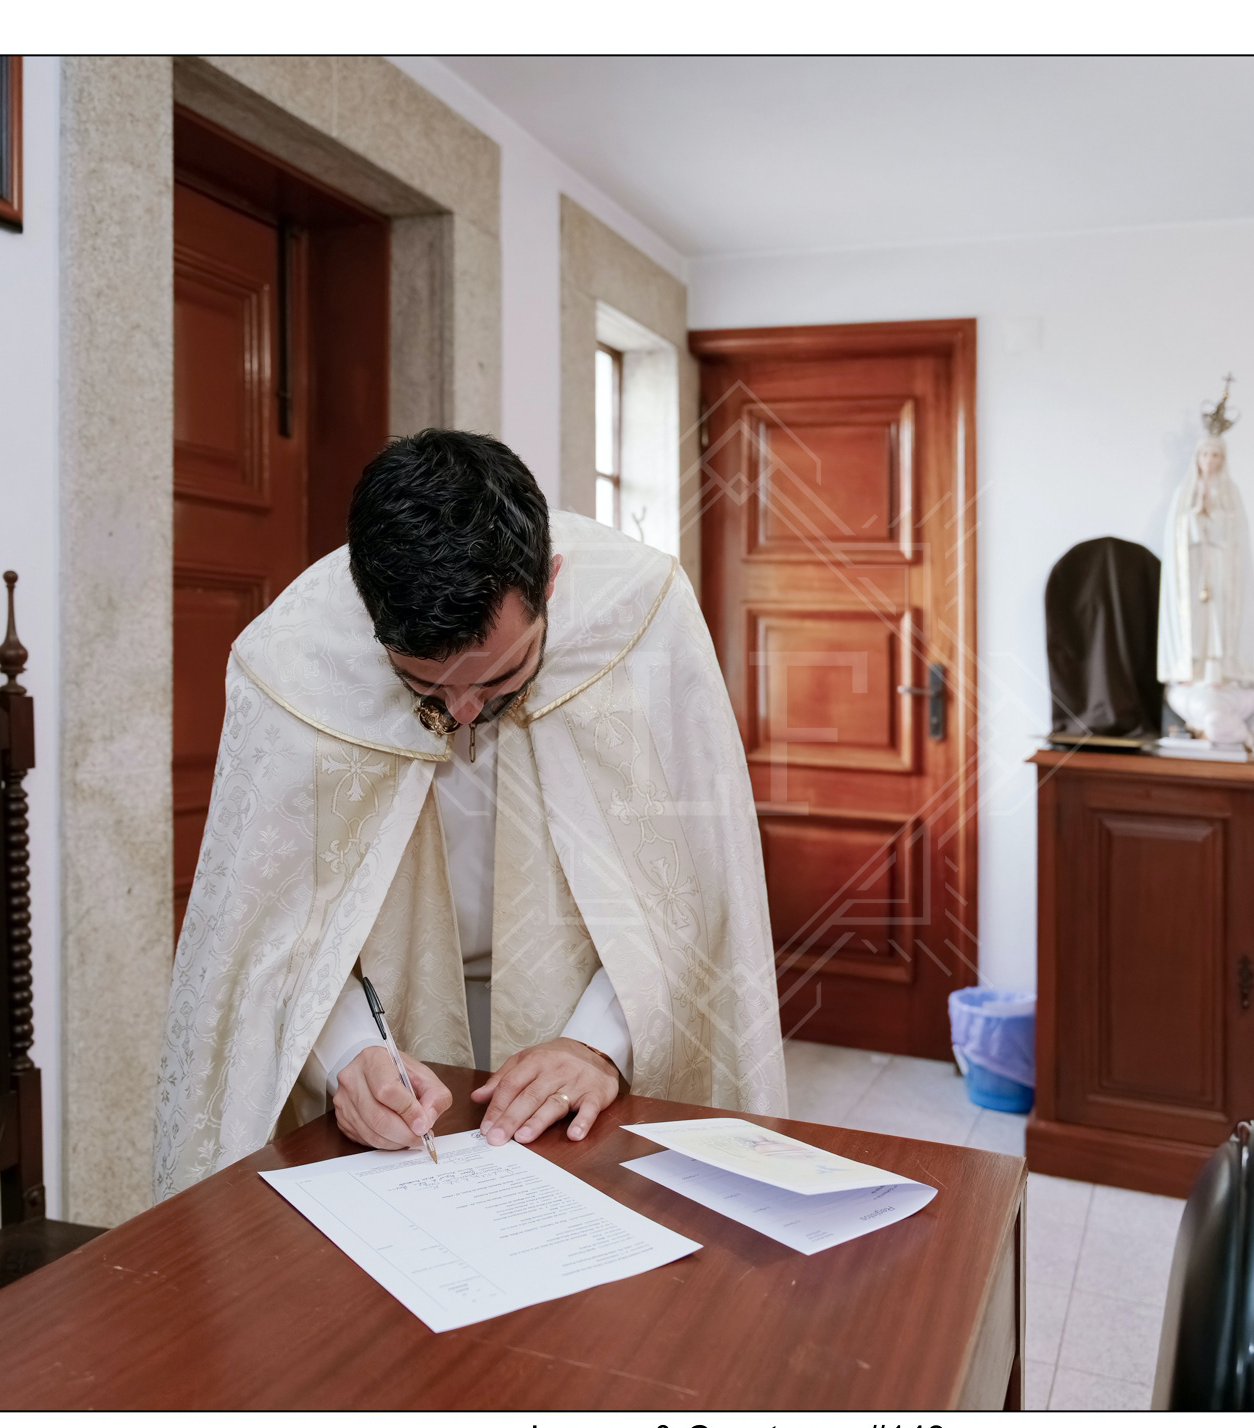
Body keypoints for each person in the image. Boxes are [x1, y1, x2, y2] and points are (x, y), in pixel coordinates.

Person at [153, 431, 787, 1199]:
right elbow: (271, 928)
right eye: (424, 687)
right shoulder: (295, 660)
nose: (461, 713)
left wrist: (599, 1043)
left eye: (501, 677)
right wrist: (348, 1051)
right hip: (394, 1023)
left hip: (589, 1011)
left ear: (550, 582)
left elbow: (687, 880)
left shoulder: (641, 614)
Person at [1157, 386, 1254, 746]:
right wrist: (1195, 513)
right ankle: (1191, 668)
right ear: (1198, 457)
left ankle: (1219, 670)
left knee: (1220, 619)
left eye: (1216, 454)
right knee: (1195, 618)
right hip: (1194, 570)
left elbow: (1235, 535)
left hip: (1220, 570)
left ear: (1222, 458)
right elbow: (1178, 535)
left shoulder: (1230, 492)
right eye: (1205, 453)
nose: (1210, 460)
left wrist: (1215, 515)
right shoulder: (1185, 492)